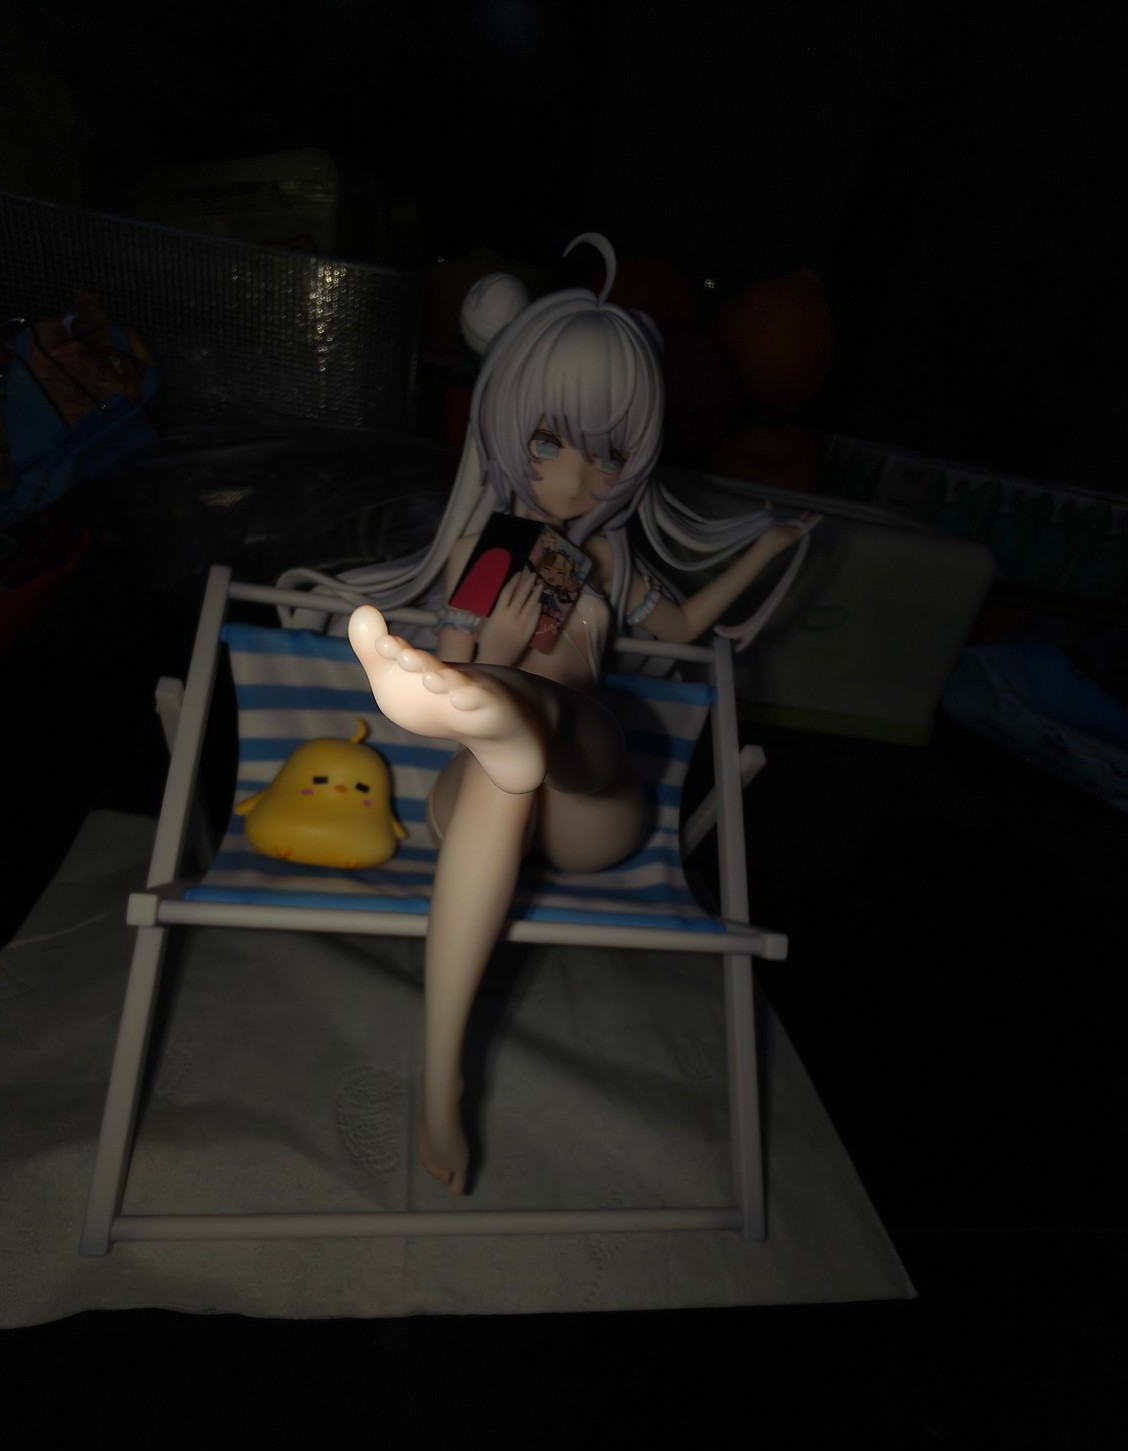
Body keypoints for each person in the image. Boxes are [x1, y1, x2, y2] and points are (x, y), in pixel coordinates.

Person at [281, 235, 818, 1194]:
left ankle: (510, 714)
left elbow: (684, 625)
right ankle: (442, 1077)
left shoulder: (607, 562)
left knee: (553, 727)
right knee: (501, 755)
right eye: (549, 443)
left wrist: (764, 550)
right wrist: (486, 650)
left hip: (584, 800)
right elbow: (448, 676)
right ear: (506, 427)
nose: (577, 478)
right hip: (476, 790)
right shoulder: (481, 555)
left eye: (609, 452)